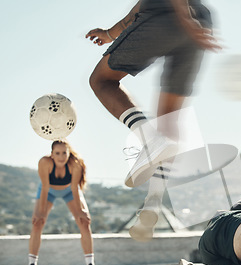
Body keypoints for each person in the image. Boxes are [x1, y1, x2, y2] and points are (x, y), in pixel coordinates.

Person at [86, 0, 220, 188]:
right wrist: (109, 34)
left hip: (169, 15)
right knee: (168, 123)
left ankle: (150, 139)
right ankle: (154, 201)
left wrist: (185, 18)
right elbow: (134, 13)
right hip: (202, 22)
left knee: (101, 80)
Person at [28, 140, 97, 265]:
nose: (61, 157)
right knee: (37, 223)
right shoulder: (44, 163)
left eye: (64, 153)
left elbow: (74, 189)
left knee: (84, 221)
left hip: (69, 191)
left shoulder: (75, 164)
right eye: (57, 153)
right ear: (52, 155)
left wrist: (81, 212)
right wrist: (40, 213)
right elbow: (45, 188)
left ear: (68, 153)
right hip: (48, 191)